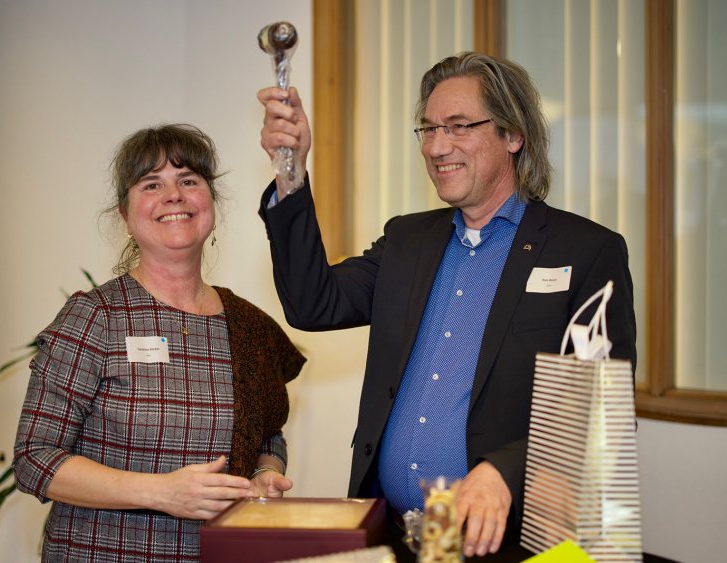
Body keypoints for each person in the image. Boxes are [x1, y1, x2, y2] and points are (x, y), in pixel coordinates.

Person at [256, 52, 636, 559]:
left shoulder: (584, 251)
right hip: (398, 535)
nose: (437, 146)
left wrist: (504, 471)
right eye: (429, 129)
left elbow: (602, 410)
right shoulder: (408, 240)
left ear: (513, 134)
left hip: (505, 541)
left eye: (459, 127)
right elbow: (312, 304)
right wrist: (291, 173)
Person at [13, 124, 305, 562]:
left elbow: (268, 433)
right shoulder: (96, 316)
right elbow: (34, 458)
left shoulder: (247, 325)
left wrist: (264, 475)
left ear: (210, 204)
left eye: (189, 180)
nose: (174, 194)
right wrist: (161, 492)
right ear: (126, 218)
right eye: (152, 184)